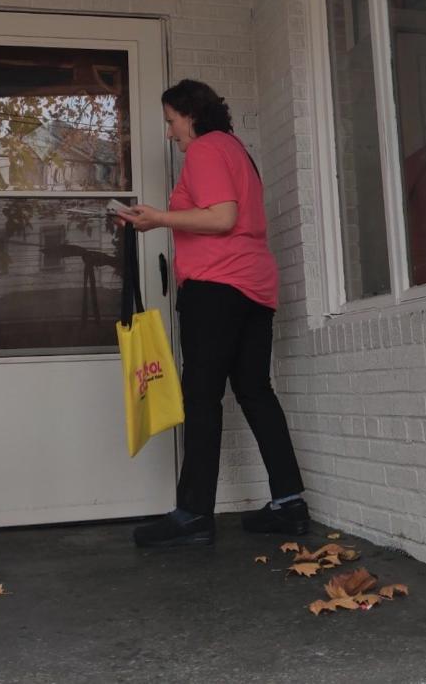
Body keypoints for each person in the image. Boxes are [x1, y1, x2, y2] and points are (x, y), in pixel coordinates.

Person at [120, 79, 307, 547]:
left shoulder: (205, 150)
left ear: (191, 115)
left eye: (170, 121)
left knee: (202, 397)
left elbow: (222, 217)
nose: (169, 133)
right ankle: (289, 504)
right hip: (255, 286)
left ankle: (193, 515)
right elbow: (236, 217)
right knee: (255, 393)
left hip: (217, 287)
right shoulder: (238, 152)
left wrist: (157, 219)